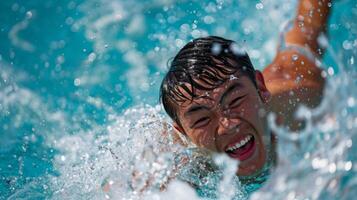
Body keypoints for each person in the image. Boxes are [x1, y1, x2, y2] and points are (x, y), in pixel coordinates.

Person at [160, 0, 331, 177]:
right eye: (202, 119)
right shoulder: (178, 170)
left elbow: (310, 23)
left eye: (234, 101)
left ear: (261, 87)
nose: (227, 126)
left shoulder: (299, 94)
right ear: (184, 134)